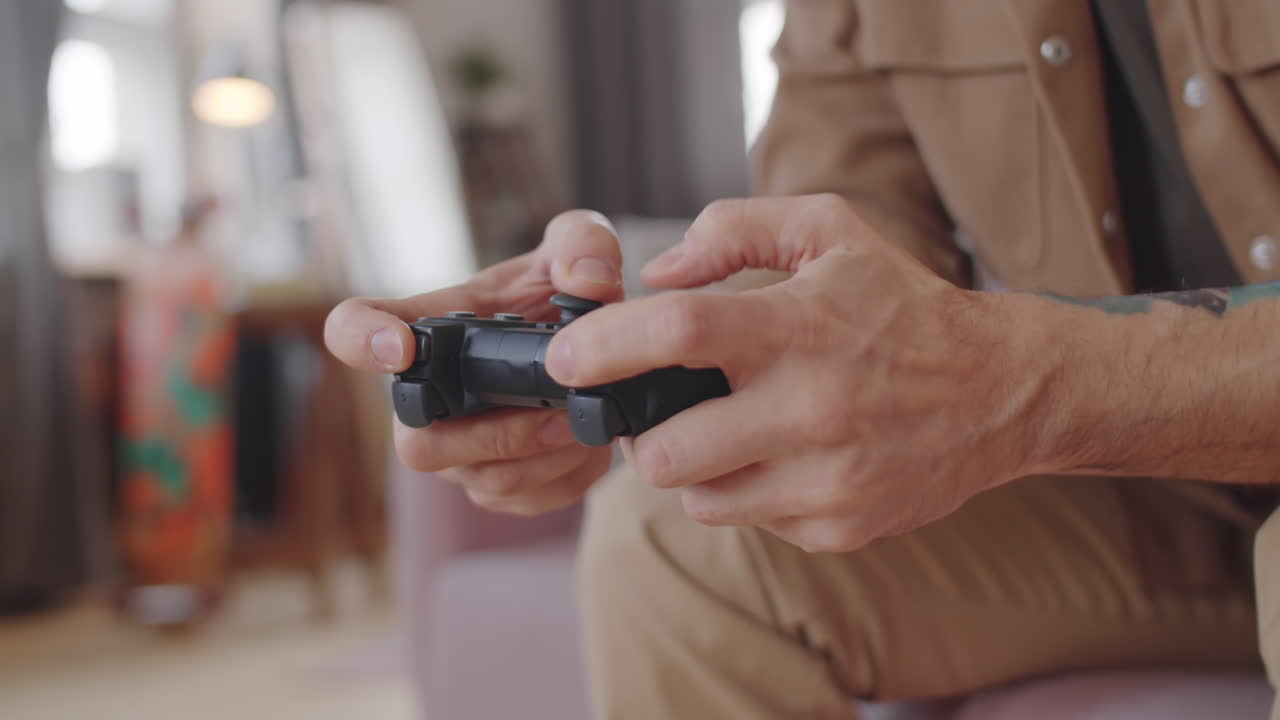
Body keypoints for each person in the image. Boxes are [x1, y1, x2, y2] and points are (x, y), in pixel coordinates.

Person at [326, 1, 1280, 717]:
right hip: (1139, 494)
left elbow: (990, 371)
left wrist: (1027, 379)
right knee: (669, 540)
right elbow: (839, 279)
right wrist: (653, 365)